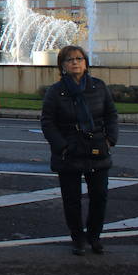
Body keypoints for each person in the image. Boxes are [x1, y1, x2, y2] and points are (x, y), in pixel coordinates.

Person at [41, 45, 119, 255]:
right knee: (72, 199)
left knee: (99, 196)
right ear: (62, 65)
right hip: (70, 151)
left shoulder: (98, 87)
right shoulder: (56, 92)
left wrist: (110, 139)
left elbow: (111, 115)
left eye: (79, 59)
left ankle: (94, 236)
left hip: (96, 149)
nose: (75, 62)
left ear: (85, 62)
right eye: (69, 60)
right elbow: (47, 122)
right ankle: (77, 238)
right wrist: (62, 146)